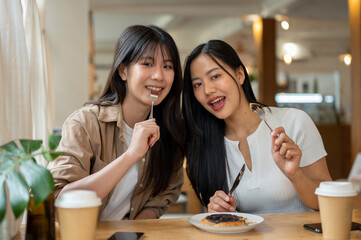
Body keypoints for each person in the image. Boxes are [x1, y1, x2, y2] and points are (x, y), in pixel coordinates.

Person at [48, 25, 185, 220]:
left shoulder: (170, 130)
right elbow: (58, 200)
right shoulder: (85, 123)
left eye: (167, 66)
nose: (158, 76)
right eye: (147, 63)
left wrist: (133, 231)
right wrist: (130, 155)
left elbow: (163, 195)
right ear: (123, 71)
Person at [182, 40, 332, 214]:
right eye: (197, 84)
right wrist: (220, 211)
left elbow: (327, 202)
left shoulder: (293, 121)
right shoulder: (205, 146)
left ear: (240, 75)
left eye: (215, 76)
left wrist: (295, 174)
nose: (207, 90)